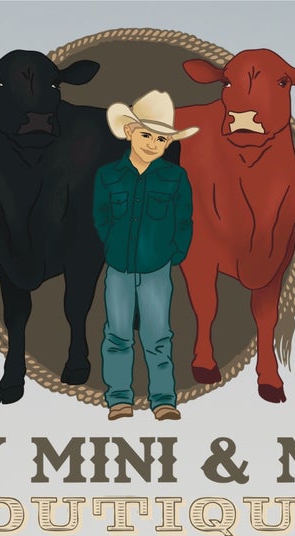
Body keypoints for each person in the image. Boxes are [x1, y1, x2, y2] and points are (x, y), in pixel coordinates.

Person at [93, 90, 198, 421]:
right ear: (129, 132)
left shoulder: (175, 177)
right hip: (119, 269)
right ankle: (119, 398)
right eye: (146, 135)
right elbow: (101, 216)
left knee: (158, 335)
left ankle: (163, 399)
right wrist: (111, 245)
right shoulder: (108, 175)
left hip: (156, 269)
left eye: (161, 138)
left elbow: (184, 219)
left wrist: (174, 253)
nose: (153, 143)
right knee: (118, 333)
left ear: (169, 143)